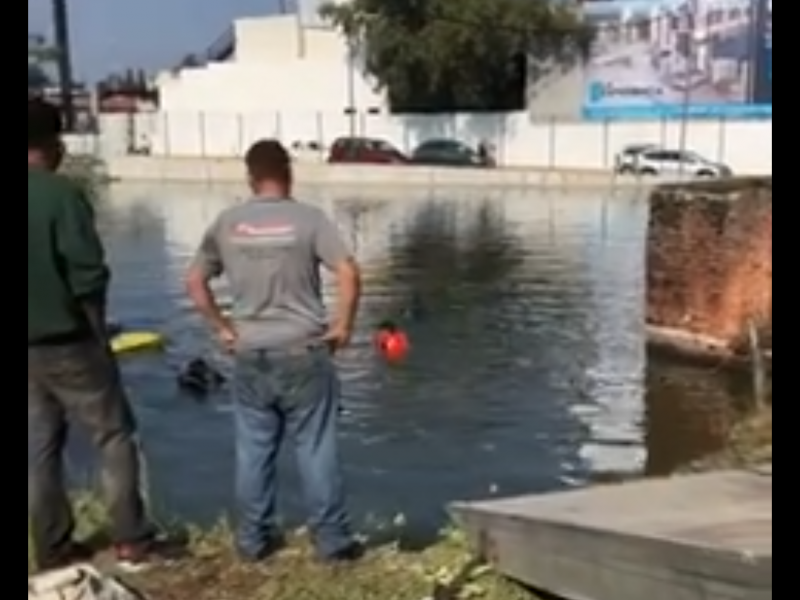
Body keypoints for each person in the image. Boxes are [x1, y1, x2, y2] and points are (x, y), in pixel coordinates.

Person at [185, 139, 363, 563]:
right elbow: (348, 271)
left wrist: (224, 329)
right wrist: (342, 326)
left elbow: (194, 282)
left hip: (250, 352)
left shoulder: (228, 223)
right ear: (289, 173)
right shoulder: (309, 219)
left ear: (250, 177)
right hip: (303, 349)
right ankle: (332, 543)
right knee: (316, 448)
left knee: (253, 450)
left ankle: (252, 541)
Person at [28, 98, 156, 571]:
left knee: (40, 446)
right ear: (49, 144)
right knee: (114, 434)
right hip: (69, 338)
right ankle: (130, 539)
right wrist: (99, 335)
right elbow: (87, 274)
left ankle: (50, 546)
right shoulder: (60, 195)